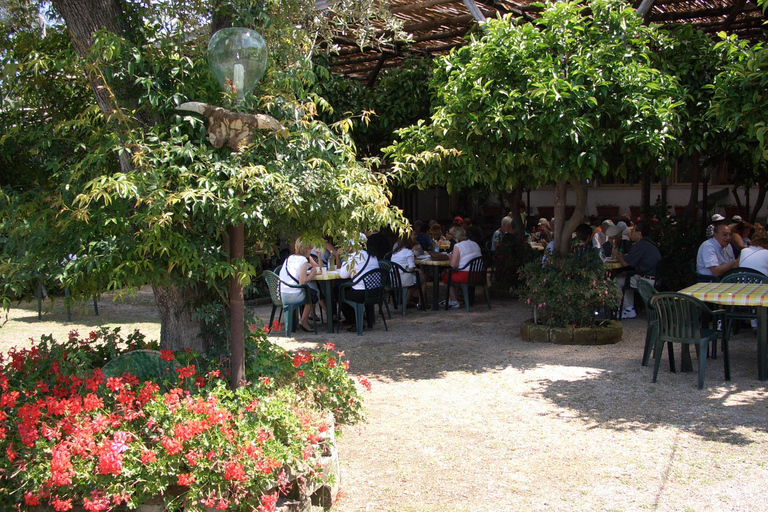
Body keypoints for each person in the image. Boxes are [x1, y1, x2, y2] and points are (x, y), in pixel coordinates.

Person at [612, 220, 662, 319]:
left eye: (633, 231)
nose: (631, 233)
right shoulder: (649, 243)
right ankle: (629, 308)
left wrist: (617, 256)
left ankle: (625, 309)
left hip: (646, 280)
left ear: (639, 234)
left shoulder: (640, 245)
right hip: (654, 278)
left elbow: (625, 263)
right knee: (625, 278)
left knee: (617, 281)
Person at [279, 237, 325, 332]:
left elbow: (320, 268)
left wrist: (319, 257)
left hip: (281, 294)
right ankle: (303, 320)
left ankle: (300, 321)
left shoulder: (290, 258)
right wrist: (311, 274)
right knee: (313, 294)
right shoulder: (303, 260)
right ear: (307, 249)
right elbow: (302, 282)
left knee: (311, 292)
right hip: (292, 295)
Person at [338, 236, 380, 331]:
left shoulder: (354, 257)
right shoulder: (372, 255)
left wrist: (346, 257)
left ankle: (354, 321)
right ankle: (365, 319)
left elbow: (343, 275)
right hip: (375, 292)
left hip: (361, 293)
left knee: (339, 293)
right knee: (347, 290)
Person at [440, 226, 482, 309]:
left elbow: (453, 265)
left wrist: (450, 257)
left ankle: (454, 300)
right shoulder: (475, 243)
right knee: (453, 274)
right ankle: (454, 298)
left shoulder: (458, 246)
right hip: (479, 275)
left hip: (466, 276)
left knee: (445, 275)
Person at [390, 234, 426, 309]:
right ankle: (420, 303)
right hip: (403, 278)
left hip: (394, 279)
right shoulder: (408, 252)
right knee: (423, 279)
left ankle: (406, 301)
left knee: (416, 278)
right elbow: (411, 268)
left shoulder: (395, 252)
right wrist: (418, 270)